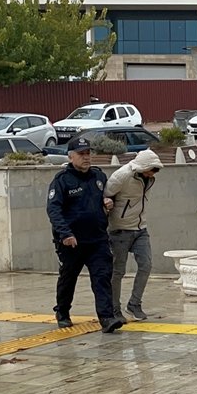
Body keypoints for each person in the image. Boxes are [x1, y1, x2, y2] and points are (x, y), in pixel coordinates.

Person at [46, 136, 124, 333]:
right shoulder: (62, 181)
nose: (86, 157)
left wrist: (108, 202)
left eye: (88, 153)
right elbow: (53, 210)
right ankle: (62, 312)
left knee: (102, 277)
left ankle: (106, 318)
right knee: (68, 277)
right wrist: (65, 234)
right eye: (81, 154)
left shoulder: (99, 177)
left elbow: (107, 198)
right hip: (71, 241)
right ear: (71, 157)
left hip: (97, 239)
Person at [104, 149, 163, 322]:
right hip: (120, 230)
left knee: (146, 265)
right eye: (153, 168)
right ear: (143, 166)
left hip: (141, 228)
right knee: (118, 271)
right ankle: (114, 309)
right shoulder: (121, 176)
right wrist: (107, 205)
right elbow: (105, 195)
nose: (154, 173)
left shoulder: (149, 178)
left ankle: (134, 304)